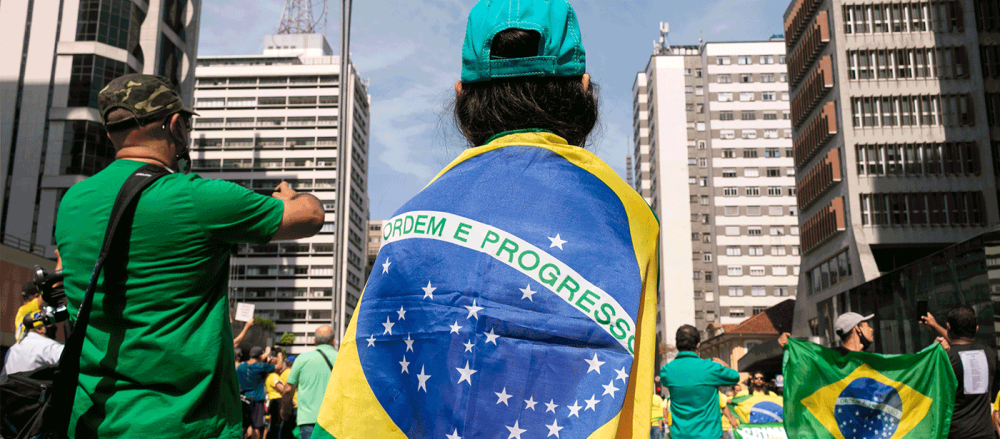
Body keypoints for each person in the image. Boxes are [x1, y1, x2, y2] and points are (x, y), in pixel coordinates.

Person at [54, 73, 325, 438]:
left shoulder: (73, 203)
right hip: (183, 424)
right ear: (177, 126)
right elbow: (311, 217)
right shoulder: (198, 198)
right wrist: (287, 199)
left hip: (90, 422)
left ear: (110, 134)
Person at [921, 306, 999, 439]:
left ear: (948, 326)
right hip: (987, 435)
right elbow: (964, 344)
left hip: (956, 435)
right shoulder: (989, 354)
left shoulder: (946, 359)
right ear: (976, 329)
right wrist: (936, 326)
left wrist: (935, 352)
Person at [660, 325, 741, 439]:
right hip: (709, 435)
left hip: (680, 436)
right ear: (698, 345)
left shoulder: (667, 371)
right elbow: (734, 377)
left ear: (677, 345)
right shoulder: (711, 368)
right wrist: (724, 366)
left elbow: (664, 380)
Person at [282, 326, 336, 439]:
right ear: (334, 341)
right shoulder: (342, 358)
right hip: (335, 420)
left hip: (308, 420)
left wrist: (285, 409)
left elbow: (287, 390)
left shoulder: (302, 359)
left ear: (314, 341)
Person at [1, 311, 64, 377]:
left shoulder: (12, 349)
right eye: (50, 325)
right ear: (40, 329)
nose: (55, 330)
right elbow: (71, 357)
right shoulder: (46, 344)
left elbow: (3, 379)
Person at [239, 346, 280, 439]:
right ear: (260, 356)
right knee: (257, 427)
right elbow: (279, 366)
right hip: (257, 401)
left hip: (243, 399)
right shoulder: (260, 367)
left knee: (243, 426)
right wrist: (279, 353)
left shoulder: (241, 367)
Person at [264, 353, 286, 439]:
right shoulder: (274, 376)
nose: (282, 365)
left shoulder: (270, 375)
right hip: (276, 402)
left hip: (273, 402)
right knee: (276, 425)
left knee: (273, 425)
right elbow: (282, 389)